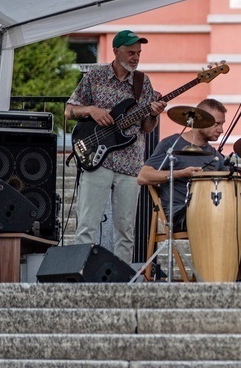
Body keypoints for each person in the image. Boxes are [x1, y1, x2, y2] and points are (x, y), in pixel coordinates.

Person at [65, 29, 167, 264]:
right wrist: (91, 110)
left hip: (130, 164)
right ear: (115, 51)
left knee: (125, 232)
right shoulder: (95, 76)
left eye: (138, 53)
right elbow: (69, 110)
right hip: (96, 161)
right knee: (87, 227)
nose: (136, 57)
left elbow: (147, 128)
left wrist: (154, 114)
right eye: (131, 52)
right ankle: (80, 277)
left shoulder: (143, 82)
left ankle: (121, 285)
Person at [137, 99, 227, 230]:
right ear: (201, 120)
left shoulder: (214, 155)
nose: (221, 130)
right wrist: (181, 173)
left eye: (222, 124)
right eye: (217, 124)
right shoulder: (171, 144)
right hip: (179, 213)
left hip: (208, 210)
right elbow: (142, 176)